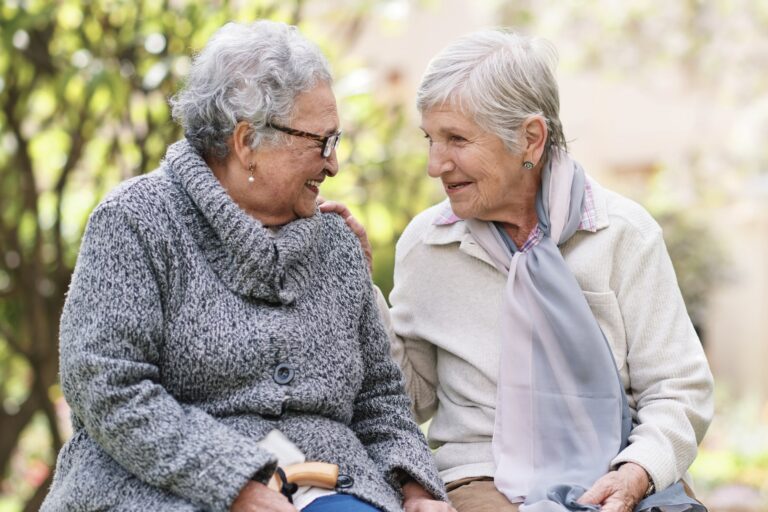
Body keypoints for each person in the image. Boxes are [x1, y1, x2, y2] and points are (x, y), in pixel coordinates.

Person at [40, 21, 455, 512]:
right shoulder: (135, 222)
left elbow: (380, 400)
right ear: (246, 142)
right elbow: (109, 389)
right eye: (320, 142)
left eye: (336, 140)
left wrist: (417, 489)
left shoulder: (337, 245)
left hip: (330, 486)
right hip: (162, 489)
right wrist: (235, 483)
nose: (334, 164)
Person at [322, 29, 714, 512]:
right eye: (431, 139)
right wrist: (361, 290)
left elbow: (678, 389)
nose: (434, 164)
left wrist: (637, 472)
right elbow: (410, 397)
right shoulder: (428, 245)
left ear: (530, 138)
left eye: (456, 139)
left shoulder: (623, 234)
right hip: (483, 476)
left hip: (620, 467)